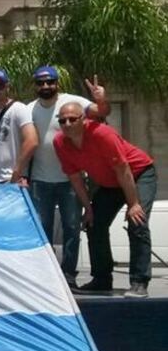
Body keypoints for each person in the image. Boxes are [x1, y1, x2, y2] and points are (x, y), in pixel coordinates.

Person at [53, 101, 156, 298]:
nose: (67, 124)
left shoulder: (102, 134)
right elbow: (75, 179)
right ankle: (102, 279)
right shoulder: (60, 142)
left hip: (138, 174)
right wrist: (88, 209)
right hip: (110, 184)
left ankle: (139, 282)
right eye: (62, 120)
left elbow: (123, 169)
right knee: (94, 224)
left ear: (84, 120)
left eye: (72, 119)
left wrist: (133, 204)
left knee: (137, 222)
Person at [27, 65, 110, 288]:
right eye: (41, 83)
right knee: (41, 229)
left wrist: (101, 99)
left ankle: (69, 275)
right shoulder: (29, 109)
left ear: (57, 84)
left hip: (70, 181)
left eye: (50, 82)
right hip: (40, 181)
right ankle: (47, 275)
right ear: (35, 86)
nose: (45, 86)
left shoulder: (73, 102)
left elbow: (101, 113)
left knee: (72, 228)